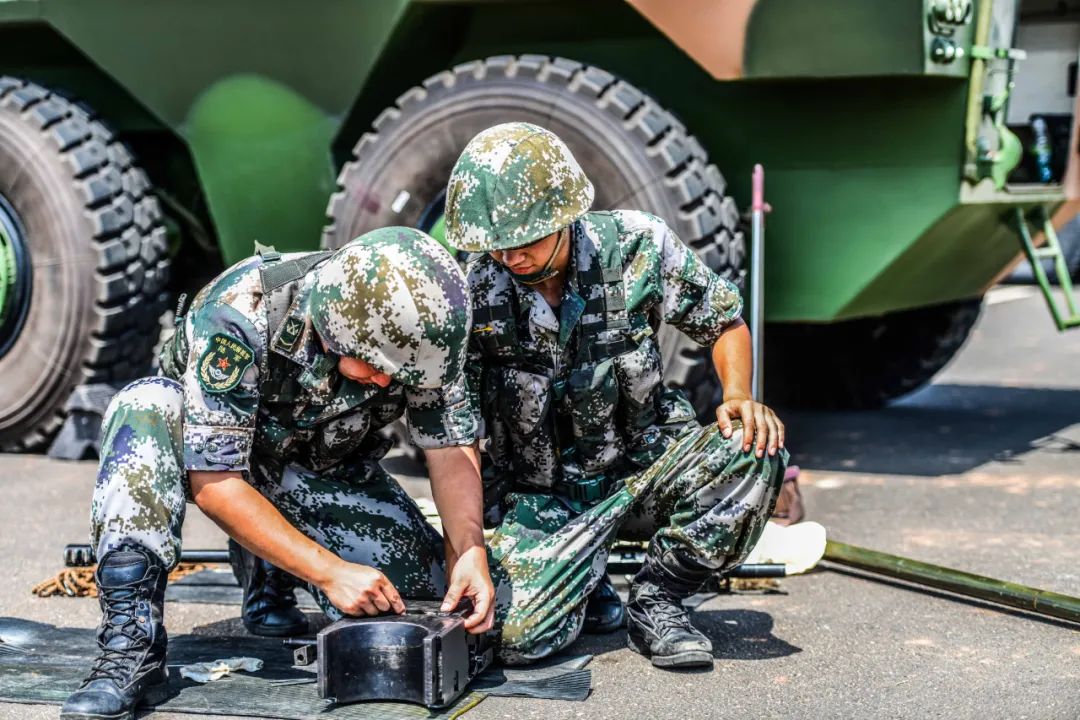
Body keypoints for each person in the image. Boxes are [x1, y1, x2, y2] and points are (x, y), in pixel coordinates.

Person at [61, 228, 496, 720]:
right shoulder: (240, 312)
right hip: (217, 463)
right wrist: (331, 573)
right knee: (144, 407)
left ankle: (269, 563)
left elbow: (448, 447)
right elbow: (215, 485)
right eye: (378, 369)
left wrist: (469, 549)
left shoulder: (415, 334)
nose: (388, 383)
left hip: (318, 471)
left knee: (431, 602)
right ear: (338, 326)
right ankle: (129, 646)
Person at [431, 122, 789, 668]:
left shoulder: (638, 246)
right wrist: (473, 546)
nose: (511, 259)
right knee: (515, 637)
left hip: (644, 471)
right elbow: (456, 437)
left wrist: (738, 393)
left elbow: (724, 322)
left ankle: (659, 597)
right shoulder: (474, 291)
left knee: (752, 448)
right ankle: (583, 580)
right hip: (543, 501)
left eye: (525, 241)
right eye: (497, 246)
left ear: (562, 217)